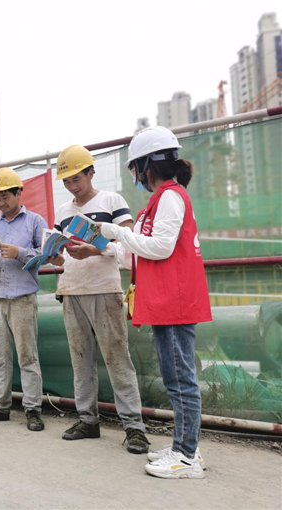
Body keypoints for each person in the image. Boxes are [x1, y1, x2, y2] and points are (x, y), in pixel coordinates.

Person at [98, 126, 212, 479]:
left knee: (180, 380)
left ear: (148, 164)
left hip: (174, 301)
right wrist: (106, 247)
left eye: (135, 167)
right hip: (166, 301)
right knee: (176, 377)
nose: (136, 175)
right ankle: (183, 445)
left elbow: (160, 247)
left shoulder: (170, 197)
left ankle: (187, 457)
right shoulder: (161, 199)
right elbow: (141, 252)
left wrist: (118, 231)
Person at [51, 145, 150, 454]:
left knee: (117, 358)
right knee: (80, 360)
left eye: (76, 178)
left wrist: (95, 249)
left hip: (105, 289)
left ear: (91, 173)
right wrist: (53, 255)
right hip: (72, 289)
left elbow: (129, 244)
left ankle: (134, 427)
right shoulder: (63, 212)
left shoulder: (112, 201)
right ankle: (87, 420)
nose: (72, 186)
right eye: (67, 181)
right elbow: (57, 250)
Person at [0, 168, 47, 432]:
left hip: (22, 296)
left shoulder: (35, 221)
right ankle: (0, 405)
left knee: (28, 356)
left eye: (5, 196)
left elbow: (45, 255)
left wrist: (20, 252)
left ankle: (33, 409)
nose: (1, 202)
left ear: (18, 193)